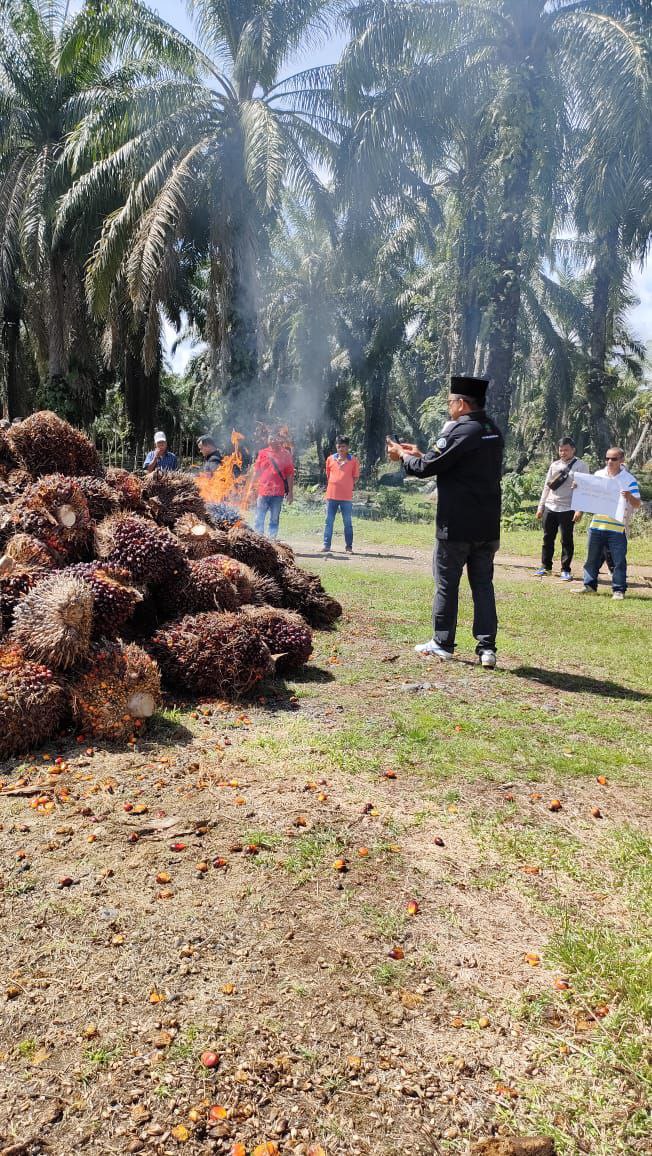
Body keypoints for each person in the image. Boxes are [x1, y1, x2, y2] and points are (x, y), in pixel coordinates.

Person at [386, 374, 504, 668]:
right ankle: (487, 648)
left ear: (462, 403)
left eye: (450, 402)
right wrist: (420, 454)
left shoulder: (461, 430)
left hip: (457, 524)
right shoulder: (491, 429)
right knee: (483, 585)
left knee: (446, 584)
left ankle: (442, 642)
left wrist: (402, 455)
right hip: (487, 524)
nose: (448, 407)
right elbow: (452, 463)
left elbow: (427, 469)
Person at [572, 447, 641, 600]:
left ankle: (618, 590)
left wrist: (629, 496)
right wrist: (578, 492)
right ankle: (589, 586)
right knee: (591, 559)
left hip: (617, 527)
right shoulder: (598, 475)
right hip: (597, 525)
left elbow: (637, 504)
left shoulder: (629, 480)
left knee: (618, 561)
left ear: (622, 460)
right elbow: (588, 495)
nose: (610, 461)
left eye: (614, 459)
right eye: (607, 458)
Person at [535, 437, 589, 580]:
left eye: (566, 450)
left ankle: (566, 569)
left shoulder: (581, 466)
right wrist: (541, 506)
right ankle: (545, 566)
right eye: (561, 450)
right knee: (547, 538)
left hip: (568, 508)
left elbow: (585, 489)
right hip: (550, 506)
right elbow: (547, 486)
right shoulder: (554, 465)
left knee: (566, 539)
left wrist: (579, 510)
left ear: (573, 450)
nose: (563, 453)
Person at [252, 429, 294, 539]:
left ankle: (272, 540)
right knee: (259, 518)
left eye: (276, 438)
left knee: (274, 518)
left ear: (280, 440)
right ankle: (258, 539)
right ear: (267, 440)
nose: (273, 440)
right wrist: (251, 487)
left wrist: (290, 492)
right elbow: (257, 471)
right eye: (271, 438)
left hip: (278, 492)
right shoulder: (262, 453)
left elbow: (290, 474)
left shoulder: (286, 454)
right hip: (263, 491)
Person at [322, 435, 361, 553]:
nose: (341, 449)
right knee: (328, 521)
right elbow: (328, 475)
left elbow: (355, 477)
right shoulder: (330, 459)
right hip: (331, 496)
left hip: (346, 497)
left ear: (348, 447)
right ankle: (326, 545)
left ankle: (349, 547)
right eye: (339, 446)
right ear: (336, 446)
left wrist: (346, 485)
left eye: (343, 446)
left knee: (347, 522)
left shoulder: (353, 460)